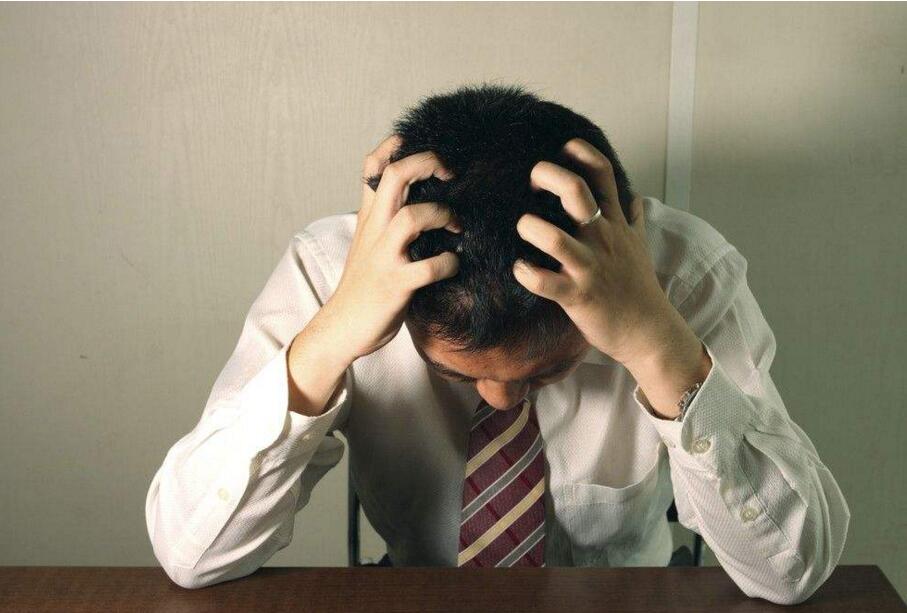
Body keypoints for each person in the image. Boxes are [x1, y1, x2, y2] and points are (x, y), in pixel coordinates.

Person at [145, 83, 850, 604]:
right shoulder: (334, 273)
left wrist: (656, 342)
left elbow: (791, 572)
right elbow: (190, 555)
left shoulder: (682, 275)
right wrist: (328, 339)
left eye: (542, 371)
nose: (502, 398)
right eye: (459, 373)